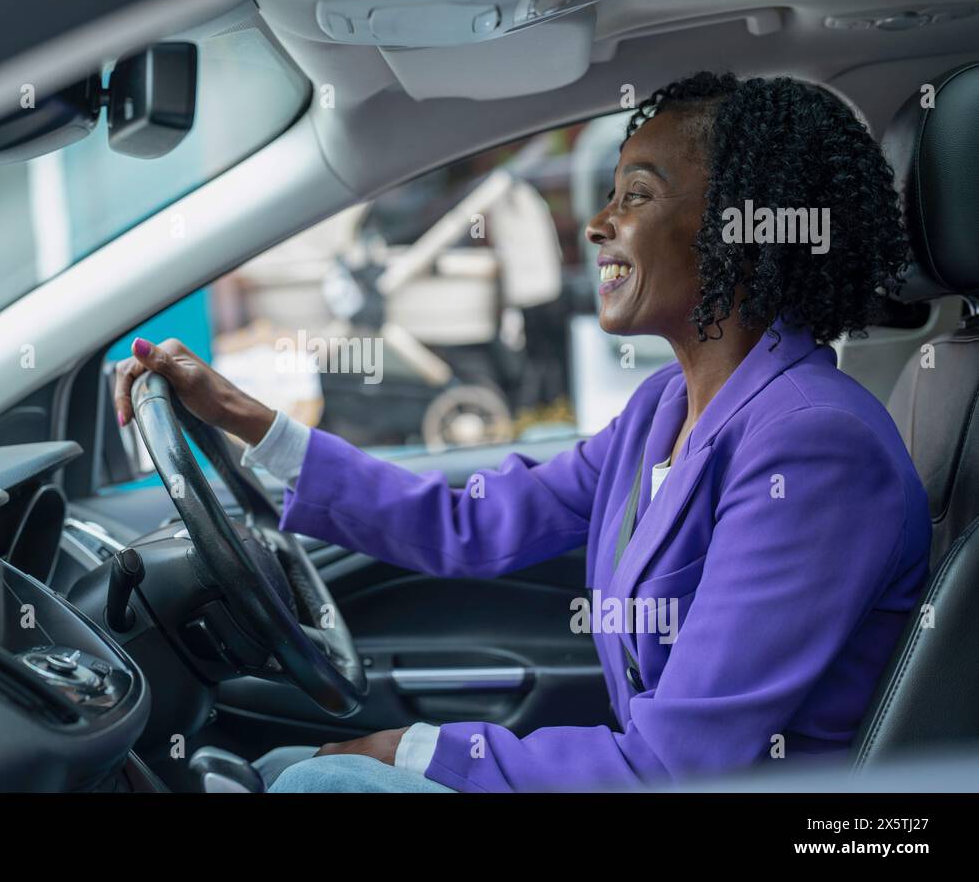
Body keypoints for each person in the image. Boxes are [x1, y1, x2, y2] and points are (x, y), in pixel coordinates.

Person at [112, 71, 931, 792]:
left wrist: (419, 751)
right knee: (284, 775)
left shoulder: (816, 445)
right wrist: (240, 415)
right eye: (610, 194)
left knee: (319, 784)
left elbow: (681, 766)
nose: (598, 223)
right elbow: (469, 523)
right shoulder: (662, 410)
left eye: (637, 195)